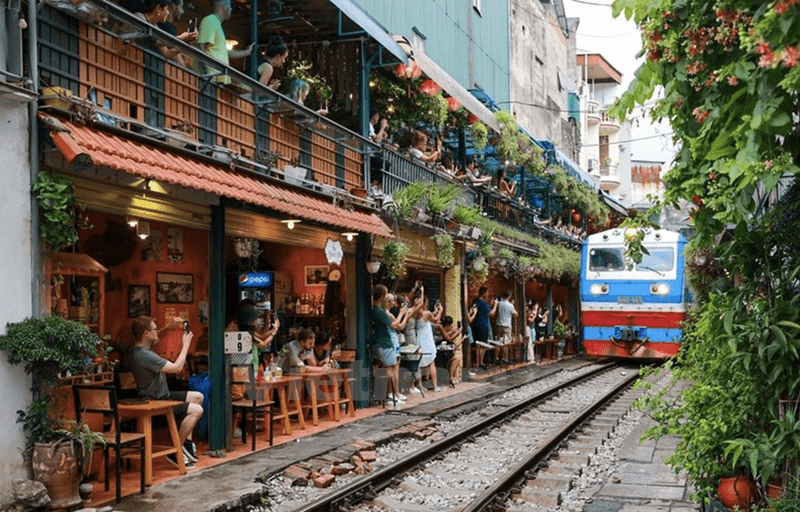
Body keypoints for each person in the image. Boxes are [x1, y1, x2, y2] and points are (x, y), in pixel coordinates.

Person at [126, 315, 203, 468]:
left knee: (198, 397)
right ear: (146, 334)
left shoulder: (139, 346)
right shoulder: (144, 355)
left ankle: (186, 443)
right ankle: (176, 451)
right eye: (154, 329)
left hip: (163, 394)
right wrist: (185, 344)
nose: (157, 332)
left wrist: (170, 327)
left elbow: (157, 336)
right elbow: (176, 368)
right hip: (155, 401)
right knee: (197, 410)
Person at [196, 0, 253, 83]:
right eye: (230, 7)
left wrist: (247, 52)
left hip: (216, 79)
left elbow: (226, 53)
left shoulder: (217, 24)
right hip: (210, 79)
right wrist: (207, 73)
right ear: (224, 8)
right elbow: (200, 48)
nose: (231, 10)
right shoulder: (210, 21)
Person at [371, 284, 408, 404]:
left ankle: (391, 395)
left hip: (380, 342)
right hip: (385, 343)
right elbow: (394, 325)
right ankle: (391, 396)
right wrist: (402, 313)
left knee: (390, 368)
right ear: (382, 296)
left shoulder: (375, 310)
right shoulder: (379, 311)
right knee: (390, 369)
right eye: (386, 294)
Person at [413, 294, 444, 392]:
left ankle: (420, 385)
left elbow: (429, 317)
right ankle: (435, 386)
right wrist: (440, 311)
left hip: (419, 338)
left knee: (419, 362)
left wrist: (434, 311)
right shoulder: (427, 313)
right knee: (431, 362)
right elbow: (435, 320)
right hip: (427, 339)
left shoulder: (414, 313)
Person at [154, 0, 198, 67]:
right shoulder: (167, 27)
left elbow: (169, 51)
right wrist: (183, 40)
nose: (182, 12)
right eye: (181, 7)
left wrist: (186, 41)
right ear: (173, 7)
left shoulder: (167, 26)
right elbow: (168, 53)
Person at [470, 287, 498, 367]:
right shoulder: (482, 302)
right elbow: (491, 314)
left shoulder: (476, 301)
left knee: (478, 344)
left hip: (476, 325)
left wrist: (491, 304)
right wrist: (495, 305)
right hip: (483, 325)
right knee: (482, 344)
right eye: (487, 292)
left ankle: (477, 362)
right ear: (484, 293)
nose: (488, 294)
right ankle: (480, 363)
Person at [438, 316, 464, 385]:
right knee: (456, 358)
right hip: (441, 353)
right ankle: (451, 377)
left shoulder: (444, 329)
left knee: (457, 357)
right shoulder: (442, 329)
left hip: (444, 351)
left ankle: (452, 376)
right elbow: (448, 338)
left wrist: (455, 331)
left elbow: (448, 336)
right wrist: (458, 333)